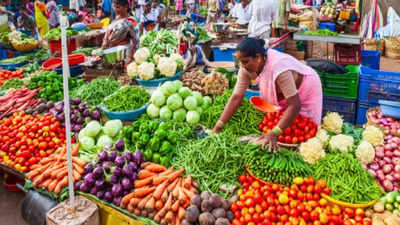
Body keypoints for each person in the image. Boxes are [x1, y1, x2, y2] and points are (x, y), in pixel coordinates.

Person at [212, 38, 322, 150]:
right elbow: (236, 97)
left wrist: (274, 133)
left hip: (306, 88)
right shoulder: (246, 68)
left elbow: (294, 105)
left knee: (306, 130)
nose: (242, 65)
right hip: (285, 95)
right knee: (286, 126)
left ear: (258, 58)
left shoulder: (278, 67)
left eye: (245, 61)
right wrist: (218, 127)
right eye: (240, 61)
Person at [102, 0, 138, 65]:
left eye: (118, 7)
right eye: (114, 7)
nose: (115, 9)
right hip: (111, 54)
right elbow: (108, 32)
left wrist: (130, 57)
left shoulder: (131, 21)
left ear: (126, 7)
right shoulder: (114, 19)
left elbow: (135, 41)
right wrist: (105, 41)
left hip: (124, 54)